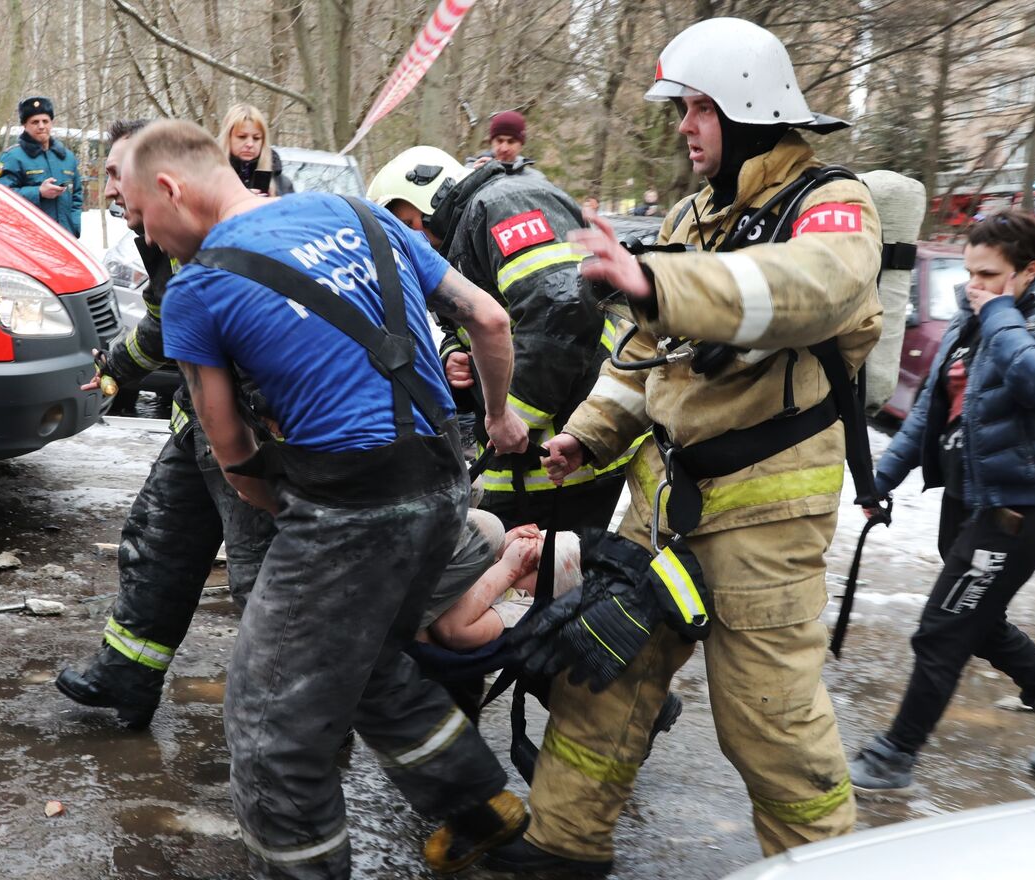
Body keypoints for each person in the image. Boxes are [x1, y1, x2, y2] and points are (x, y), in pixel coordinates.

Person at [481, 17, 883, 873]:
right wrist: (588, 437)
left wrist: (658, 278)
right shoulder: (696, 214)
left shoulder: (832, 206)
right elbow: (642, 354)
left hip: (766, 521)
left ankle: (830, 866)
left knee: (768, 724)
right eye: (681, 110)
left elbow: (812, 288)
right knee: (605, 678)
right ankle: (561, 845)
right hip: (662, 508)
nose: (685, 127)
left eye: (698, 109)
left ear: (747, 109)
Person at [122, 118, 532, 878]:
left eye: (143, 218)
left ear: (172, 189)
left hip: (352, 507)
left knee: (269, 721)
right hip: (445, 480)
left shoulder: (199, 289)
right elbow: (490, 318)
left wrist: (302, 522)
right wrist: (501, 414)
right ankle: (481, 804)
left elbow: (232, 452)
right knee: (366, 658)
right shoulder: (360, 214)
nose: (148, 237)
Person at [848, 211, 1035, 790]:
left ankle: (896, 754)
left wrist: (1001, 313)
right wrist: (880, 479)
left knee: (943, 628)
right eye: (969, 274)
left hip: (1017, 512)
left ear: (1029, 270)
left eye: (989, 275)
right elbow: (926, 417)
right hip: (965, 502)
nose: (974, 286)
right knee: (976, 622)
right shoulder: (968, 323)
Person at [54, 119, 277, 729]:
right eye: (105, 177)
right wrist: (117, 367)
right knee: (157, 543)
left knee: (263, 578)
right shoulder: (154, 234)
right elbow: (164, 317)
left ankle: (304, 720)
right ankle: (127, 675)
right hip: (196, 426)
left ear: (161, 181)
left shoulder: (221, 231)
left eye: (118, 175)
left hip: (250, 434)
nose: (111, 190)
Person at [368, 145, 635, 532]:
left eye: (409, 223)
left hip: (565, 444)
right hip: (528, 450)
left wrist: (513, 415)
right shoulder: (461, 235)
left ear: (430, 197)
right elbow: (465, 326)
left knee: (547, 572)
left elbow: (560, 311)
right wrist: (455, 358)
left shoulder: (504, 206)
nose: (412, 240)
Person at [423, 515, 582, 651]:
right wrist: (499, 546)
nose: (518, 556)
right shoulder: (509, 569)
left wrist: (508, 566)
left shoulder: (523, 607)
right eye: (522, 544)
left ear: (550, 587)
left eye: (531, 561)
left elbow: (450, 631)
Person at [0, 96, 83, 236]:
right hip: (31, 240)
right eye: (35, 122)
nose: (41, 126)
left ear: (51, 123)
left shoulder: (67, 157)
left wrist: (74, 226)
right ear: (25, 125)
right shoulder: (12, 157)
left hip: (65, 238)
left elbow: (76, 195)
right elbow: (0, 197)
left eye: (45, 121)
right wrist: (38, 192)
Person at [218, 103, 294, 196]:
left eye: (256, 138)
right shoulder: (208, 179)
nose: (250, 144)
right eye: (242, 137)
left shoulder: (282, 184)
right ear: (228, 138)